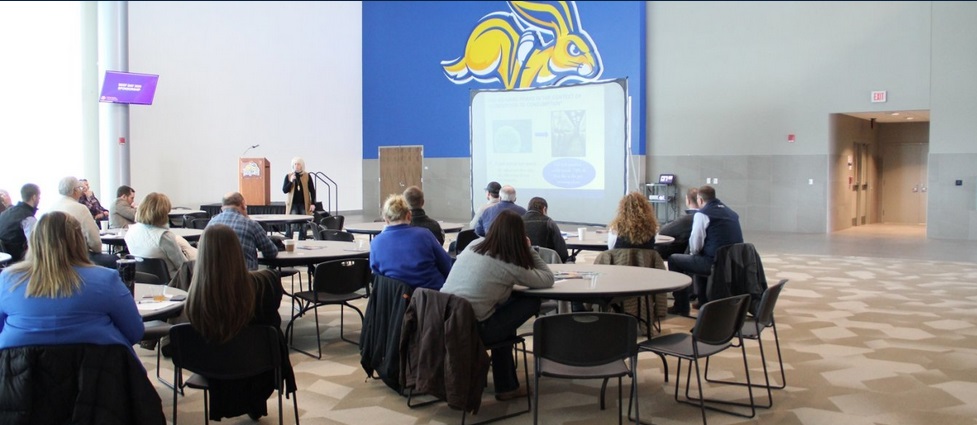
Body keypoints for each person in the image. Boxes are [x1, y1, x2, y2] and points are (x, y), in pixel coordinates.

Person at [185, 224, 296, 421]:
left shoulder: (195, 297)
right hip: (262, 367)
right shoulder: (265, 282)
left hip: (212, 369)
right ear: (238, 250)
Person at [441, 209, 555, 401]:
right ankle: (506, 386)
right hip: (472, 329)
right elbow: (547, 278)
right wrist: (528, 249)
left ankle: (507, 384)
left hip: (444, 320)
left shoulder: (474, 244)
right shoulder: (509, 261)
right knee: (530, 301)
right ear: (518, 236)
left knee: (504, 318)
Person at [0, 212, 144, 355]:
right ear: (79, 240)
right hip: (97, 371)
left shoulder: (8, 280)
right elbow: (135, 332)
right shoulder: (105, 279)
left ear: (33, 241)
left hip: (20, 372)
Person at [667, 185, 744, 316]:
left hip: (714, 263)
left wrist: (693, 255)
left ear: (700, 200)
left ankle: (681, 305)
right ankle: (703, 301)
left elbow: (695, 242)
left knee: (675, 259)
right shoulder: (731, 213)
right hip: (732, 263)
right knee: (699, 257)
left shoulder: (702, 214)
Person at [369, 194, 452, 289]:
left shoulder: (376, 243)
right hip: (430, 297)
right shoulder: (425, 235)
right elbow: (446, 264)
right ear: (409, 216)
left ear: (386, 220)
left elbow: (377, 277)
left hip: (396, 299)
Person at [49, 176, 118, 268]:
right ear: (75, 190)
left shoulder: (51, 208)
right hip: (76, 256)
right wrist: (97, 250)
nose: (81, 191)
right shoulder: (80, 208)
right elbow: (94, 241)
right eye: (80, 188)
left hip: (54, 257)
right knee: (114, 260)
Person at [124, 192, 197, 277]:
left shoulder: (130, 231)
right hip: (172, 282)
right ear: (162, 213)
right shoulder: (164, 237)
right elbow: (183, 266)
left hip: (142, 279)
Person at [206, 192, 278, 270]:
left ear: (222, 207)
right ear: (243, 204)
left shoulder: (211, 223)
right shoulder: (250, 224)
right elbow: (271, 252)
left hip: (216, 278)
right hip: (245, 278)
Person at [655, 187, 699, 260]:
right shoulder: (706, 217)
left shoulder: (686, 219)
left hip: (677, 251)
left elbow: (663, 231)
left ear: (687, 200)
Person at [0, 183, 41, 263]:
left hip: (4, 258)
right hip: (19, 260)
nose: (39, 199)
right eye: (39, 197)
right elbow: (35, 244)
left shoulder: (6, 212)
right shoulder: (28, 218)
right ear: (34, 197)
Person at [522, 197, 569, 263]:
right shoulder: (549, 222)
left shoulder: (517, 221)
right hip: (547, 266)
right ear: (544, 209)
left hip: (523, 265)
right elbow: (562, 253)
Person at [282, 157, 316, 239]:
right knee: (292, 224)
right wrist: (291, 181)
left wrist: (313, 203)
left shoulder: (307, 176)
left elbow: (312, 190)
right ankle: (289, 241)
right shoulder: (288, 176)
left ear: (302, 166)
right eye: (295, 164)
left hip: (304, 204)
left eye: (298, 164)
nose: (296, 166)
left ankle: (302, 241)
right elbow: (284, 190)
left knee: (304, 224)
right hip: (292, 204)